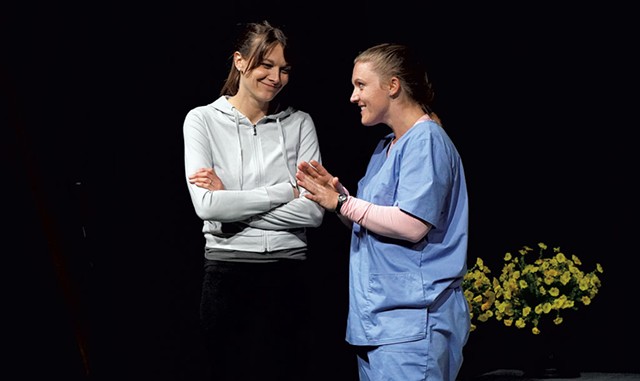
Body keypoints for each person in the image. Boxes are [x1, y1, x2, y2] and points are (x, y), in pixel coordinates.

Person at [295, 42, 470, 381]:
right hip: (380, 324)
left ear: (393, 86)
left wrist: (344, 203)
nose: (352, 96)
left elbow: (411, 224)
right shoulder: (385, 148)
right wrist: (339, 197)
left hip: (414, 326)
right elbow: (373, 222)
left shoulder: (426, 140)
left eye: (361, 85)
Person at [182, 20, 324, 381]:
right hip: (227, 277)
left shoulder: (300, 123)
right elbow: (207, 207)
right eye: (267, 65)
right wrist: (285, 191)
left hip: (289, 275)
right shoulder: (201, 120)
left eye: (284, 69)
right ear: (240, 61)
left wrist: (230, 204)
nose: (276, 77)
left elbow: (314, 212)